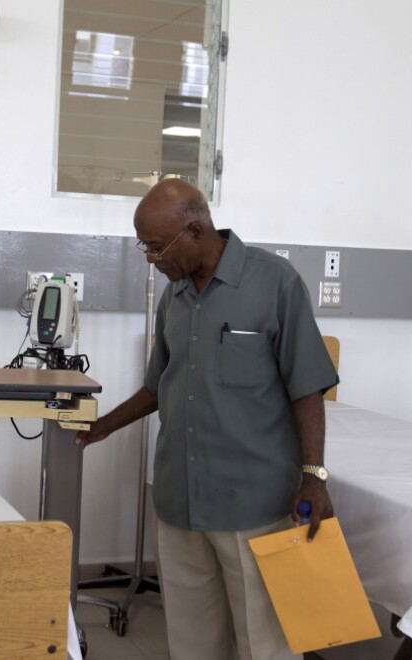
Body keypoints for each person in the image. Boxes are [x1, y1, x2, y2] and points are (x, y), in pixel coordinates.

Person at [75, 179, 338, 660]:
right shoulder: (171, 300)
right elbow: (160, 386)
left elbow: (308, 386)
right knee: (193, 641)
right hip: (180, 501)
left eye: (156, 246)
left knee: (265, 642)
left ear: (195, 231)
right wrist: (102, 428)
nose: (150, 259)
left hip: (253, 503)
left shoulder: (274, 282)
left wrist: (314, 475)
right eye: (144, 247)